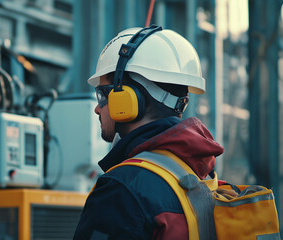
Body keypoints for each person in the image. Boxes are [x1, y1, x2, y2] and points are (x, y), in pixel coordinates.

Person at [73, 25, 224, 240]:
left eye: (102, 94)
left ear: (126, 97)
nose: (97, 108)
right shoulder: (203, 176)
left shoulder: (122, 190)